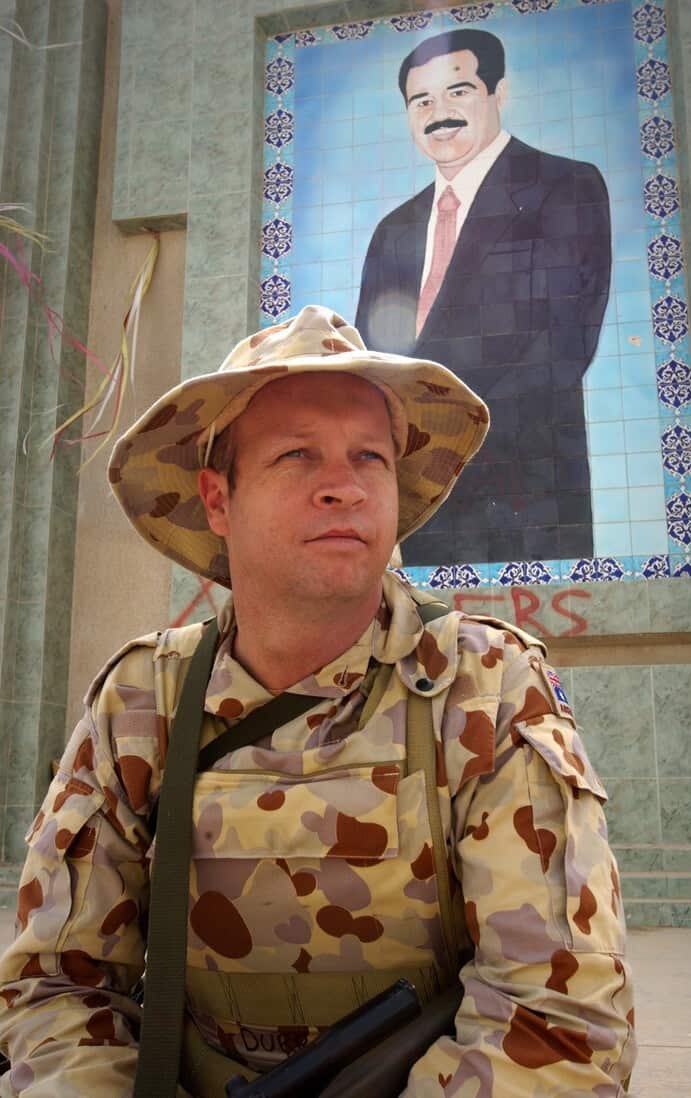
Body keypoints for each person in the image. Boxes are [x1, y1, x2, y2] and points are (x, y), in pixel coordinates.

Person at [0, 306, 634, 1096]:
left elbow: (559, 1013)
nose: (343, 486)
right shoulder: (145, 699)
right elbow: (55, 988)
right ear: (217, 499)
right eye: (297, 455)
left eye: (369, 457)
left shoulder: (484, 685)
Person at [355, 29, 612, 568]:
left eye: (458, 91)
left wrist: (445, 444)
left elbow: (563, 347)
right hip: (418, 512)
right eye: (421, 100)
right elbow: (370, 377)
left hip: (526, 499)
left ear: (499, 92)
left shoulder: (563, 187)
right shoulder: (393, 231)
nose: (438, 112)